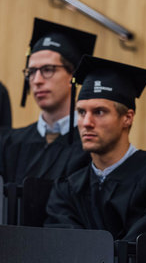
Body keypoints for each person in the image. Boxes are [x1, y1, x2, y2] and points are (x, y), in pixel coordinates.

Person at [44, 55, 146, 241]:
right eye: (81, 112)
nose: (86, 123)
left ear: (127, 118)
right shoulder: (68, 189)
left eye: (99, 112)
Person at [0, 18, 96, 184]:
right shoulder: (9, 143)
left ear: (73, 76)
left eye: (48, 70)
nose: (37, 80)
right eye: (31, 71)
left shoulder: (91, 145)